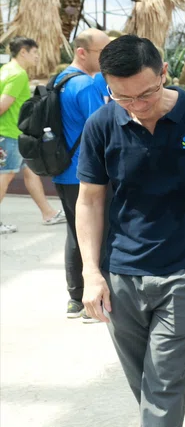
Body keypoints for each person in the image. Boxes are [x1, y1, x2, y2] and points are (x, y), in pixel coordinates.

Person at [76, 35, 185, 427]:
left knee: (163, 386)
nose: (138, 105)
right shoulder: (103, 124)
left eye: (146, 93)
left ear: (165, 73)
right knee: (145, 386)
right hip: (121, 274)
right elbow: (90, 200)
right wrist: (91, 272)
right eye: (123, 96)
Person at [54, 28, 112, 321]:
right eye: (103, 52)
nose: (108, 58)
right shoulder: (86, 86)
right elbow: (101, 127)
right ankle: (93, 299)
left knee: (74, 235)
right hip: (85, 173)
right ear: (82, 52)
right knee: (92, 234)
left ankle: (74, 299)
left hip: (62, 171)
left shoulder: (60, 80)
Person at [0, 36, 67, 234]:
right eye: (35, 53)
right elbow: (3, 105)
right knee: (5, 176)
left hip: (13, 135)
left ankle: (48, 213)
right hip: (9, 135)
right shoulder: (18, 74)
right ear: (23, 52)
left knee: (31, 173)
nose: (37, 57)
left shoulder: (5, 70)